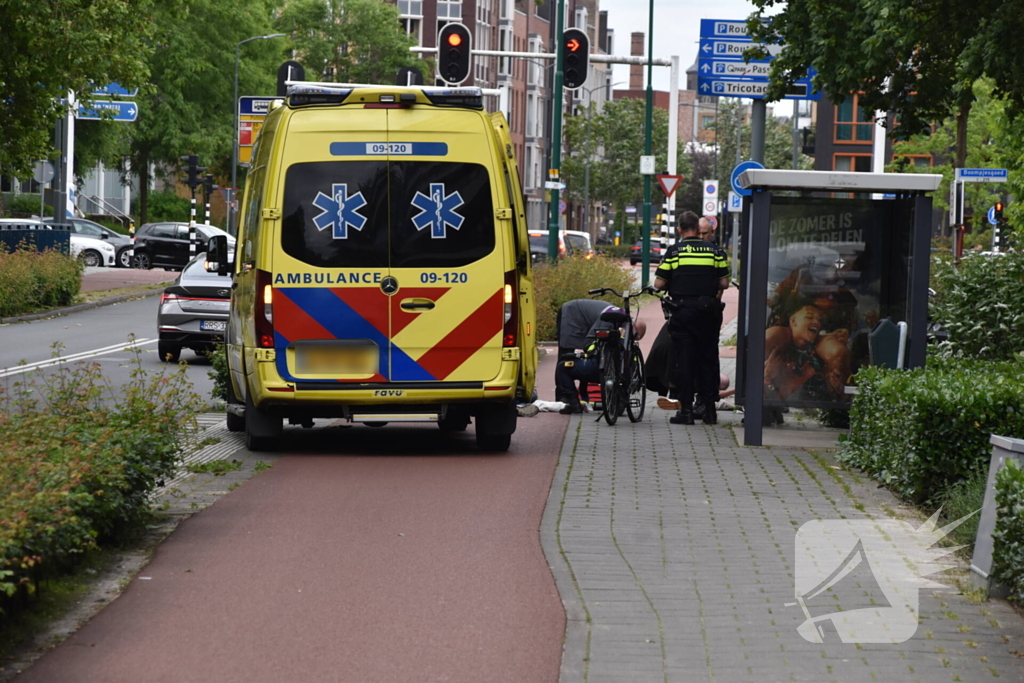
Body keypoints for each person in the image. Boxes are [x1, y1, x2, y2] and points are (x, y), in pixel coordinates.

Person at [653, 211, 730, 425]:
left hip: (682, 312)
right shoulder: (715, 252)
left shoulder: (675, 251)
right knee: (708, 360)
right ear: (698, 229)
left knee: (684, 361)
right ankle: (710, 411)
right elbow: (724, 284)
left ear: (679, 229)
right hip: (708, 313)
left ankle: (686, 411)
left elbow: (659, 284)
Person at [554, 305, 646, 414]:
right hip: (620, 376)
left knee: (563, 367)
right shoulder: (630, 345)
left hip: (596, 369)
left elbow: (589, 345)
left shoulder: (606, 321)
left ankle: (574, 404)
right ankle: (619, 402)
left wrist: (586, 354)